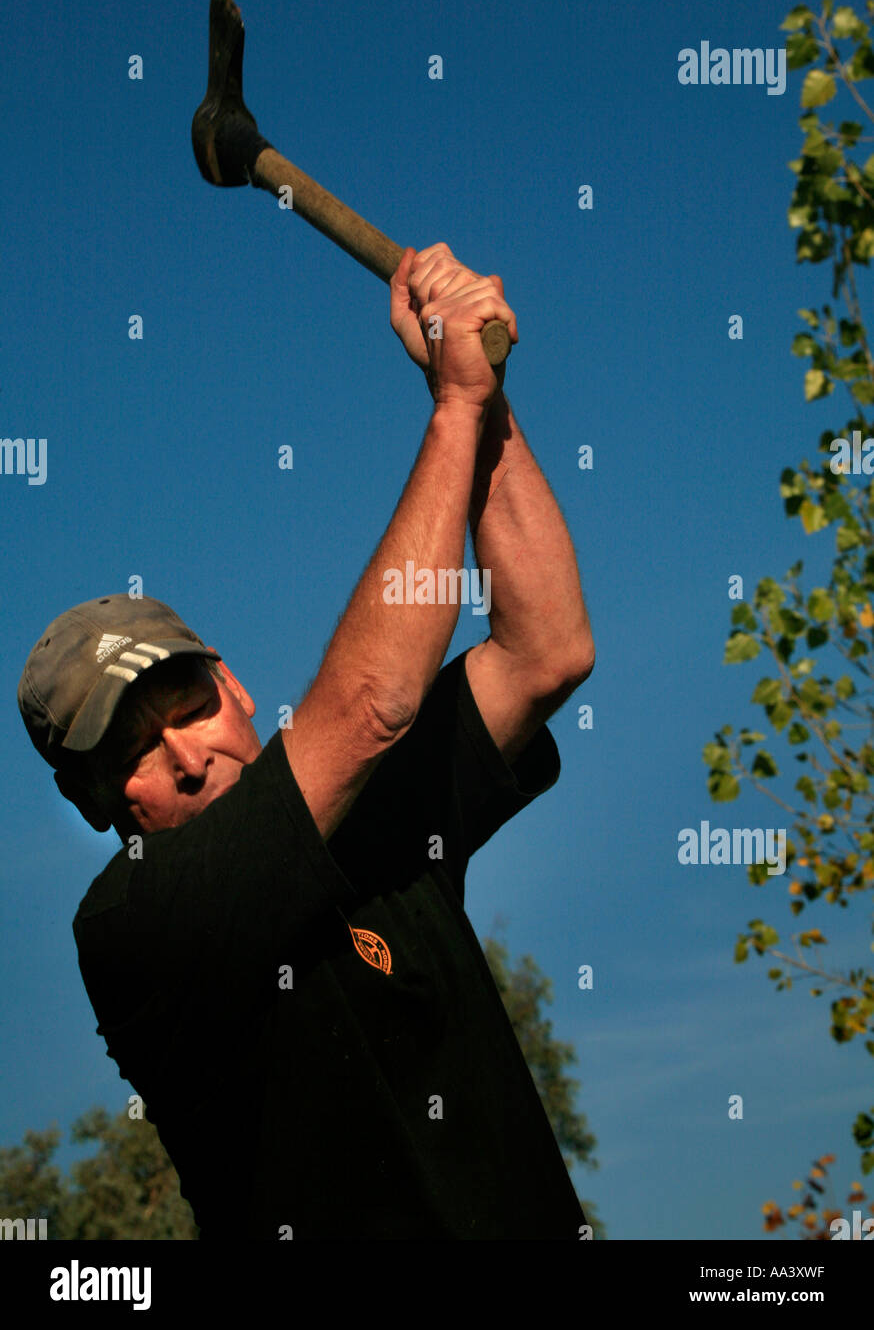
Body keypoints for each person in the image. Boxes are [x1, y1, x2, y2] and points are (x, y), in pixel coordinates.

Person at [18, 243, 595, 1239]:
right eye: (136, 754)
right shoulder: (135, 927)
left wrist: (478, 390)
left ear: (233, 685)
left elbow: (545, 648)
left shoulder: (376, 816)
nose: (189, 756)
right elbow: (370, 704)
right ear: (96, 805)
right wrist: (452, 410)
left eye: (188, 707)